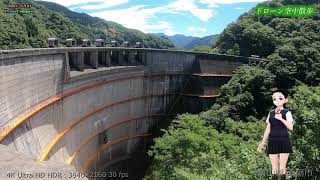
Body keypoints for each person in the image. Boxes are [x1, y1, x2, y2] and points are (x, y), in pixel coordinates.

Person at [257, 89, 294, 180]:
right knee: (274, 168)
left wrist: (281, 119)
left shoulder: (287, 113)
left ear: (285, 100)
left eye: (280, 98)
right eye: (274, 99)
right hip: (272, 141)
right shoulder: (271, 113)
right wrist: (263, 142)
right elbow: (268, 129)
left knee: (282, 168)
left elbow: (291, 127)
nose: (277, 101)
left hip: (284, 141)